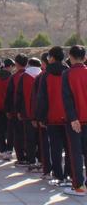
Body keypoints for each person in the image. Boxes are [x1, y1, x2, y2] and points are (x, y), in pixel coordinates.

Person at [36, 46, 70, 186]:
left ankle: (58, 175)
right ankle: (70, 174)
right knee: (69, 148)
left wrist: (41, 117)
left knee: (55, 148)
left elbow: (42, 98)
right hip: (69, 117)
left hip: (52, 117)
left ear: (52, 58)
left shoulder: (45, 75)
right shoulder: (68, 72)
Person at [61, 45, 87, 196]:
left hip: (75, 121)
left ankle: (78, 186)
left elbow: (67, 98)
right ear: (84, 57)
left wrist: (73, 118)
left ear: (70, 57)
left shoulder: (67, 74)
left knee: (75, 153)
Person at [16, 58, 42, 171]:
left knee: (30, 138)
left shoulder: (24, 76)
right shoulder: (43, 75)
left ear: (29, 64)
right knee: (41, 138)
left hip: (27, 113)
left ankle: (31, 161)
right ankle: (41, 160)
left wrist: (18, 111)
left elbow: (19, 95)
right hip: (41, 114)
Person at [5, 53, 28, 165]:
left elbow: (9, 95)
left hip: (16, 110)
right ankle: (30, 156)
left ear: (17, 64)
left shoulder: (14, 77)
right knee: (28, 134)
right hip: (29, 111)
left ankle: (21, 157)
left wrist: (8, 110)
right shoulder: (32, 76)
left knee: (17, 135)